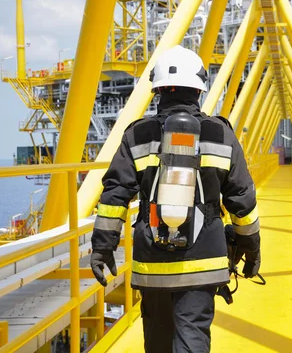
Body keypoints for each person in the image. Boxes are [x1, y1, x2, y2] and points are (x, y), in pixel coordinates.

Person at [90, 45, 261, 352]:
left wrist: (102, 247)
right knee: (192, 337)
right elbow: (241, 198)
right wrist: (250, 246)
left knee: (156, 341)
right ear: (199, 88)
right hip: (204, 259)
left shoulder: (136, 135)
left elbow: (115, 195)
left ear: (157, 90)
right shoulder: (221, 135)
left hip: (151, 262)